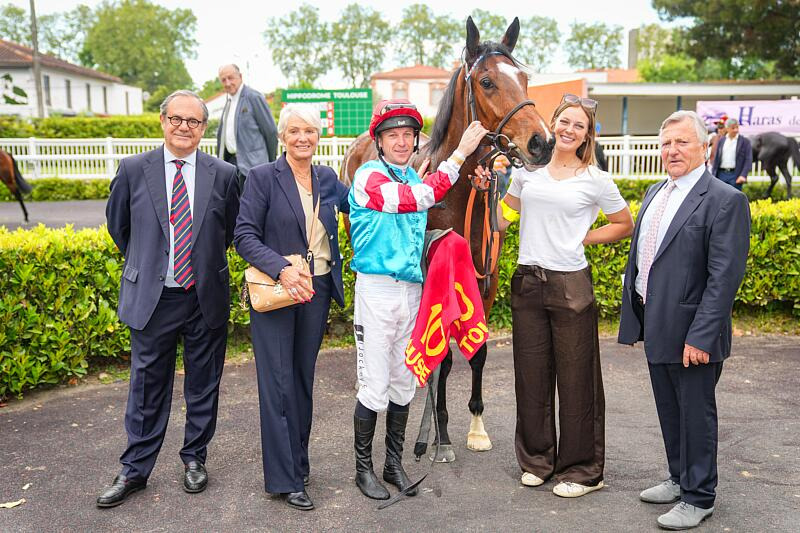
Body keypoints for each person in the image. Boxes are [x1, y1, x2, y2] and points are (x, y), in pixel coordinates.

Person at [99, 90, 240, 507]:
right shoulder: (133, 169)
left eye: (193, 121)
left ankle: (195, 458)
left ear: (204, 128)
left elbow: (228, 231)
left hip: (203, 296)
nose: (184, 127)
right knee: (147, 387)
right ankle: (134, 469)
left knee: (203, 384)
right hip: (152, 297)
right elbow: (119, 227)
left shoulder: (225, 174)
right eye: (176, 119)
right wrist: (151, 265)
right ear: (162, 121)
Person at [489, 93, 633, 499]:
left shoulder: (596, 180)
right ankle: (537, 461)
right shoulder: (527, 174)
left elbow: (623, 223)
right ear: (553, 123)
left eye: (579, 126)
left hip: (571, 284)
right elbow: (503, 217)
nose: (569, 130)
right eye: (565, 122)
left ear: (587, 135)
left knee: (576, 379)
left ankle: (584, 471)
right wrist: (487, 192)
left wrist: (585, 237)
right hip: (528, 282)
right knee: (531, 376)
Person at [349, 99, 487, 500]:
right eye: (392, 135)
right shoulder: (368, 175)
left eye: (408, 134)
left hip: (411, 291)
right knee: (374, 386)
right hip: (376, 290)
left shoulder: (411, 176)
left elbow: (423, 196)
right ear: (378, 141)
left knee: (403, 382)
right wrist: (460, 152)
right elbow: (418, 198)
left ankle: (393, 464)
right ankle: (363, 470)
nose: (401, 141)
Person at [618, 110, 750, 530]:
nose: (672, 150)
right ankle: (678, 478)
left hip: (694, 334)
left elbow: (724, 278)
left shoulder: (725, 200)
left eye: (681, 142)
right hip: (656, 323)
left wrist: (702, 336)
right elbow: (647, 256)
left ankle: (699, 496)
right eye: (666, 143)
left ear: (704, 147)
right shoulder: (656, 191)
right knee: (670, 411)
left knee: (696, 417)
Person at [234, 104, 350, 511]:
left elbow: (365, 205)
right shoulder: (263, 178)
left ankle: (299, 464)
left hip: (316, 290)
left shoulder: (327, 178)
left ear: (319, 137)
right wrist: (282, 268)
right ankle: (285, 480)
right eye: (295, 131)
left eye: (310, 131)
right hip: (279, 291)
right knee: (278, 384)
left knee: (301, 380)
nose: (303, 138)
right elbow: (244, 236)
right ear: (282, 136)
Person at [217, 64, 279, 190]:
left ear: (240, 76)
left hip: (254, 167)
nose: (227, 83)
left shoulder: (254, 97)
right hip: (232, 166)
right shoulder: (228, 101)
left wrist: (270, 163)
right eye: (223, 80)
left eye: (231, 78)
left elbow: (271, 132)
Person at [710, 117, 752, 190]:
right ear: (727, 128)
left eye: (737, 127)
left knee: (735, 196)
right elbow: (716, 158)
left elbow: (748, 159)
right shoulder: (722, 141)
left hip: (735, 175)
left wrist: (743, 175)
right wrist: (713, 174)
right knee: (720, 196)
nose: (736, 130)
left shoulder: (744, 142)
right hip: (721, 174)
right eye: (733, 128)